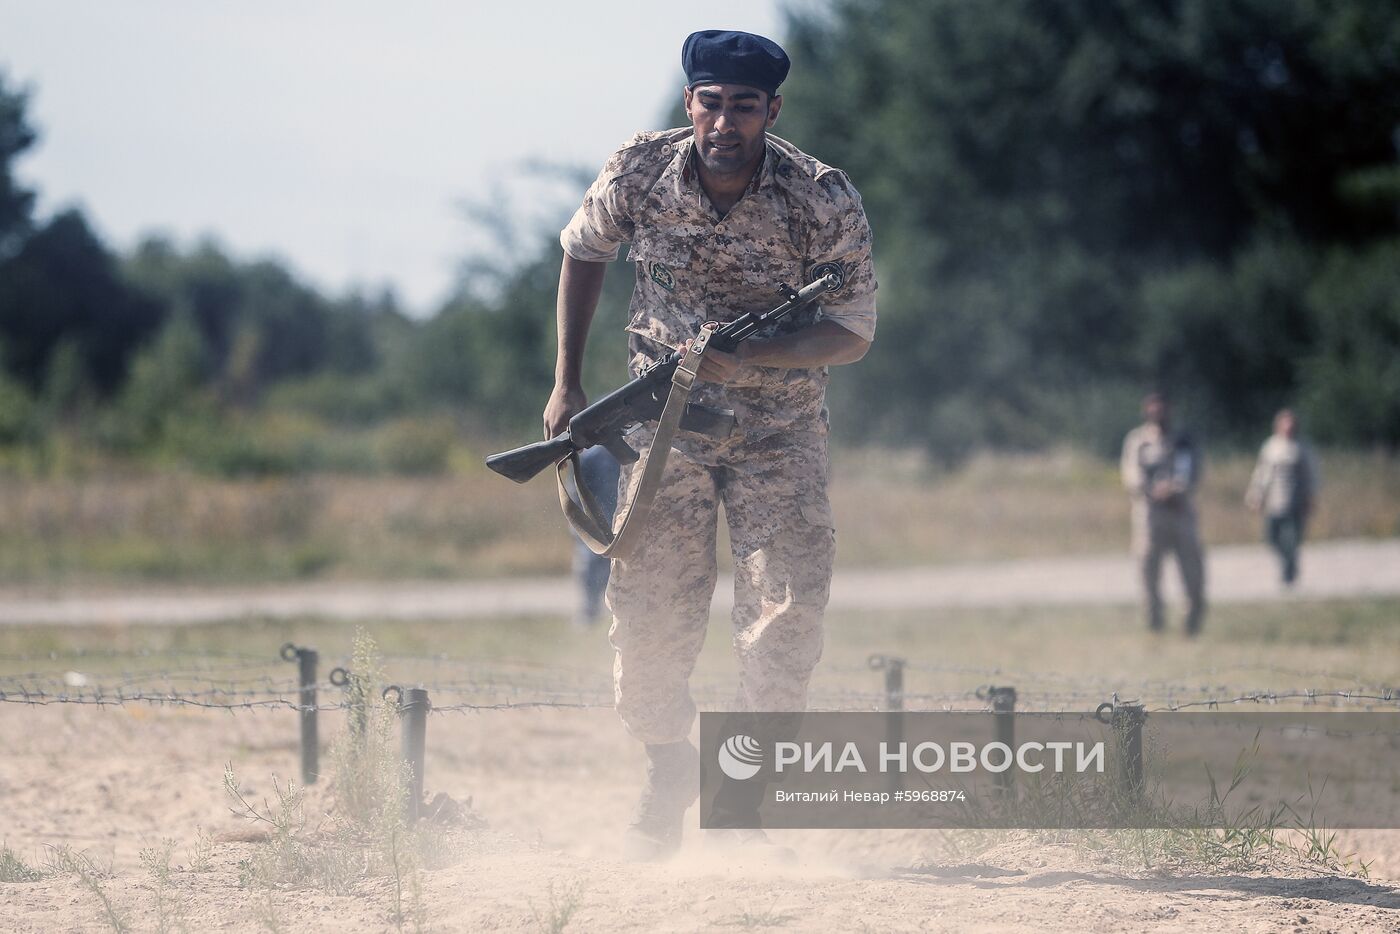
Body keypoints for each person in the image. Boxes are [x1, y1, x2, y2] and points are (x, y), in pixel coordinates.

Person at [544, 29, 876, 860]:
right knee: (649, 619)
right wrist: (566, 382)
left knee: (784, 612)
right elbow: (582, 251)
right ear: (690, 101)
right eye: (711, 102)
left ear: (773, 110)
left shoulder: (820, 196)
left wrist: (752, 353)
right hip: (663, 433)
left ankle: (747, 794)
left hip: (780, 433)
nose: (724, 121)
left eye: (744, 106)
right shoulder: (639, 170)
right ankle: (666, 771)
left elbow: (852, 332)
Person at [1120, 392, 1207, 634]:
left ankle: (1192, 623)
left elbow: (1193, 471)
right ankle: (1154, 623)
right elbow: (1130, 474)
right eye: (1153, 408)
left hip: (1180, 512)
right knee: (1148, 569)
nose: (1158, 413)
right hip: (1149, 514)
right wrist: (1150, 490)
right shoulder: (1138, 440)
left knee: (1192, 569)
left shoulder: (1184, 440)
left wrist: (1174, 489)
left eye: (1162, 408)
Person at [1245, 408, 1319, 586]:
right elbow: (1261, 474)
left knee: (1292, 541)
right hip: (1274, 502)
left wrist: (1310, 497)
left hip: (1295, 502)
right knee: (1272, 538)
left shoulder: (1302, 448)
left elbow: (1311, 476)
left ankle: (1288, 574)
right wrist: (1256, 496)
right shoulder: (1270, 447)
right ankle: (1289, 565)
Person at [569, 446, 621, 628]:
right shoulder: (590, 455)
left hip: (616, 521)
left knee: (612, 566)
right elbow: (575, 491)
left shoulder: (618, 451)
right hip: (596, 522)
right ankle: (590, 610)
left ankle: (609, 611)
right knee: (589, 563)